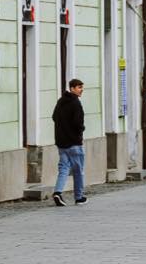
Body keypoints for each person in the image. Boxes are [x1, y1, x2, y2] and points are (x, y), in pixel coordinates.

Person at [52, 78, 87, 206]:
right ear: (72, 88)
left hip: (61, 142)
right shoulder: (76, 103)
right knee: (78, 170)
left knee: (64, 168)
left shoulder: (61, 101)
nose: (81, 90)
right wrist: (81, 130)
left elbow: (54, 117)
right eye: (79, 87)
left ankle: (58, 192)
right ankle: (79, 197)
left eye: (82, 87)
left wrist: (62, 130)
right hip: (74, 143)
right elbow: (78, 123)